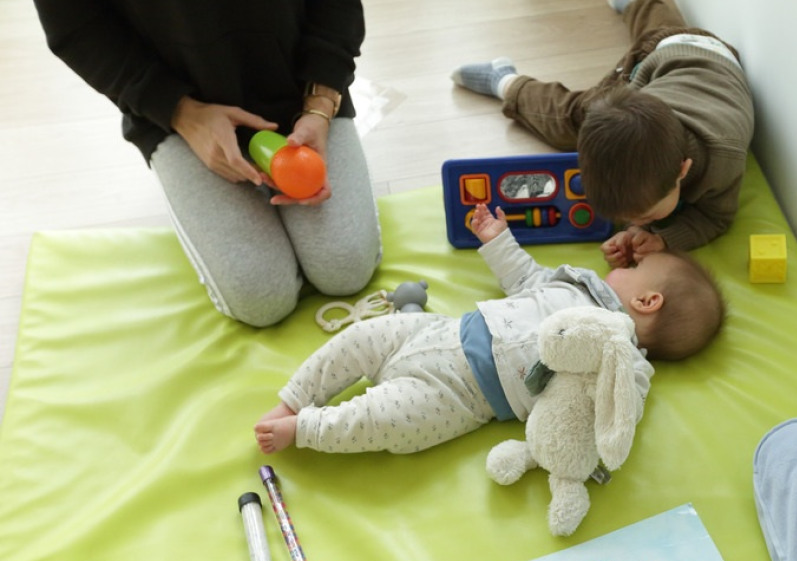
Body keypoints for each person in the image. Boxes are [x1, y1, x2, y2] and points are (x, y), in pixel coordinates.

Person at [254, 204, 725, 455]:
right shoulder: (575, 283)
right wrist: (497, 240)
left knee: (385, 422)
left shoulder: (623, 359)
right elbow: (525, 277)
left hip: (463, 396)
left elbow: (619, 410)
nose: (622, 264)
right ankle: (293, 397)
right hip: (441, 330)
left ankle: (307, 429)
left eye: (636, 266)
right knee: (360, 339)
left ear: (647, 300)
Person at [32, 0, 382, 327]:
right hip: (178, 105)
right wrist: (180, 112)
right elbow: (76, 27)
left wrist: (321, 101)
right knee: (261, 298)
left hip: (301, 83)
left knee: (345, 268)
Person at [451, 0, 754, 268]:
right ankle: (506, 81)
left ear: (682, 170)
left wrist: (663, 239)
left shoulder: (722, 162)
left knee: (659, 32)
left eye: (646, 217)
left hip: (712, 56)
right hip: (660, 60)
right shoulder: (648, 109)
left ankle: (507, 80)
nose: (636, 225)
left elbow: (716, 218)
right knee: (579, 117)